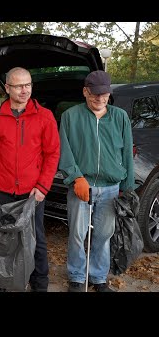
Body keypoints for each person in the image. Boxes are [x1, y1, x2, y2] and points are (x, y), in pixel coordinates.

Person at [0, 67, 60, 292]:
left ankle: (39, 283)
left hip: (33, 192)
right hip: (3, 190)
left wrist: (43, 186)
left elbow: (52, 153)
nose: (24, 90)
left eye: (28, 85)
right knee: (4, 240)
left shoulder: (44, 116)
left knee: (36, 240)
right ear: (7, 88)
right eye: (18, 86)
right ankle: (2, 282)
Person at [59, 70, 134, 292]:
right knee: (77, 234)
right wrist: (76, 177)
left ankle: (98, 278)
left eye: (104, 94)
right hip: (81, 186)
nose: (99, 99)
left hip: (111, 188)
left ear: (109, 93)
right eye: (94, 94)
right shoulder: (70, 116)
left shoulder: (120, 117)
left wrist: (127, 188)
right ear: (85, 91)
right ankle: (76, 276)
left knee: (103, 235)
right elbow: (65, 150)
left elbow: (127, 154)